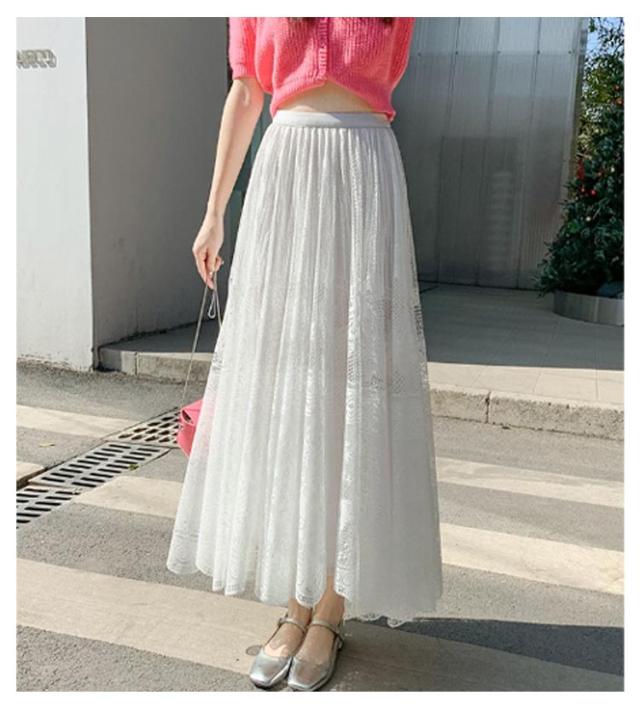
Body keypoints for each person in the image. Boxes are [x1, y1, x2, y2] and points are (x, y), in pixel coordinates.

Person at [166, 16, 443, 692]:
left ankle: (331, 608)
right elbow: (245, 91)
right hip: (286, 173)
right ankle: (297, 601)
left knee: (351, 387)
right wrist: (213, 212)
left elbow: (387, 69)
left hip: (363, 173)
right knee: (290, 390)